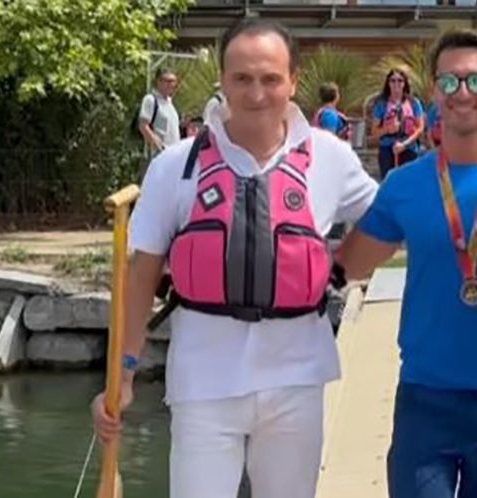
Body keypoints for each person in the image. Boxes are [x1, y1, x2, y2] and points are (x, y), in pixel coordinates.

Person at [90, 18, 378, 498]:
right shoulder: (174, 166)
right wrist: (122, 375)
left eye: (270, 79)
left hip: (297, 381)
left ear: (293, 81)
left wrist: (340, 270)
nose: (256, 93)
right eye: (242, 78)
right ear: (223, 79)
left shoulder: (331, 158)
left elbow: (386, 221)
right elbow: (140, 276)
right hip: (204, 384)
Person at [334, 29, 477, 498]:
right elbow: (348, 266)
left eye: (475, 81)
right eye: (450, 81)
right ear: (434, 92)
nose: (462, 93)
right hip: (426, 402)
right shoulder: (404, 187)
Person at [371, 67, 425, 178]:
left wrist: (404, 144)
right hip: (387, 149)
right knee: (389, 182)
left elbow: (420, 128)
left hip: (409, 148)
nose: (396, 84)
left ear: (405, 83)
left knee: (408, 182)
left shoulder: (414, 103)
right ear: (388, 83)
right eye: (393, 80)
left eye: (400, 80)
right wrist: (387, 129)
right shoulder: (381, 104)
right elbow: (374, 132)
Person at [137, 67, 181, 154]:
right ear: (158, 81)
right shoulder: (151, 99)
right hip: (159, 154)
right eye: (168, 81)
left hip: (173, 154)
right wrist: (157, 145)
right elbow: (143, 126)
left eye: (173, 81)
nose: (171, 84)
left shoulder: (170, 104)